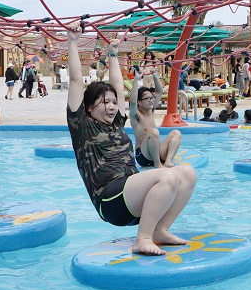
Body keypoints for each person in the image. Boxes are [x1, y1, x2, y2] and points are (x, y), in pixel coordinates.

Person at [65, 23, 196, 256]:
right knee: (165, 175)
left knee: (187, 173)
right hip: (109, 200)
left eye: (113, 102)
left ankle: (159, 230)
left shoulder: (116, 122)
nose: (111, 106)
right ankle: (142, 239)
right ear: (89, 107)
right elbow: (75, 81)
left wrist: (113, 54)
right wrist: (72, 41)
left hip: (131, 195)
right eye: (104, 102)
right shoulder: (82, 125)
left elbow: (118, 86)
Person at [130, 65, 181, 168]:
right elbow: (133, 102)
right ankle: (158, 164)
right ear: (139, 102)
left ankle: (168, 161)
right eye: (147, 98)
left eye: (151, 98)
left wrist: (154, 75)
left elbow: (159, 91)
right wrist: (136, 79)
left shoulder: (150, 110)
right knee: (154, 132)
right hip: (143, 156)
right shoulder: (136, 116)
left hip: (156, 152)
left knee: (176, 133)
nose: (151, 100)